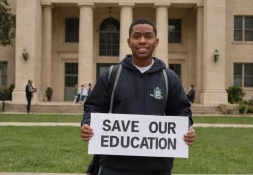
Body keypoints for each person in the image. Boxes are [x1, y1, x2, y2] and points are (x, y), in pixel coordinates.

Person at [81, 18, 195, 175]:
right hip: (113, 166)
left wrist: (186, 128)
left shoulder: (169, 77)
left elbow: (182, 110)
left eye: (148, 36)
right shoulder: (112, 75)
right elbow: (94, 106)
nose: (142, 41)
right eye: (136, 36)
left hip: (157, 167)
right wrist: (87, 123)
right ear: (128, 42)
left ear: (156, 41)